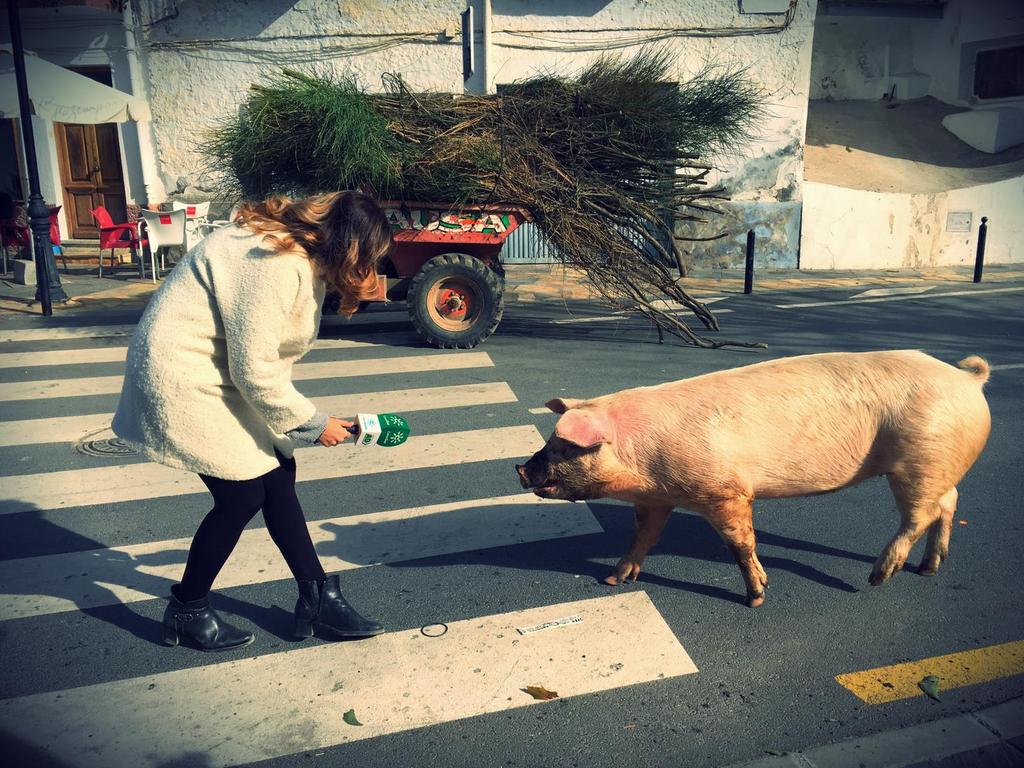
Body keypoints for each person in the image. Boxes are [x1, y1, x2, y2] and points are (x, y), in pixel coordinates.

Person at [113, 191, 393, 651]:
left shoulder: (290, 248)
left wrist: (297, 421)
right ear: (348, 244)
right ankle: (187, 608)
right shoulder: (276, 262)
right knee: (241, 494)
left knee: (277, 476)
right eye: (369, 255)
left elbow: (259, 358)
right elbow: (255, 368)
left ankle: (316, 596)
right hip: (183, 377)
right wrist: (311, 423)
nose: (370, 265)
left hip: (215, 370)